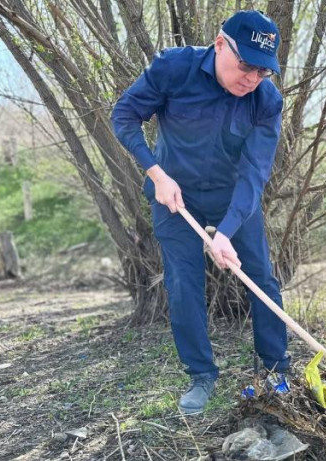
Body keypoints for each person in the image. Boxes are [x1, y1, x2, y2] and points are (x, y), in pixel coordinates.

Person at [111, 10, 290, 415]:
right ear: (220, 43)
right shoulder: (174, 68)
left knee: (260, 275)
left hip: (234, 199)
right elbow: (124, 116)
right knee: (183, 281)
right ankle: (202, 375)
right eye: (245, 64)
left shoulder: (267, 101)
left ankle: (278, 369)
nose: (251, 78)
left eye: (263, 71)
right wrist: (156, 173)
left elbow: (254, 173)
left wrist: (226, 231)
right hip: (173, 194)